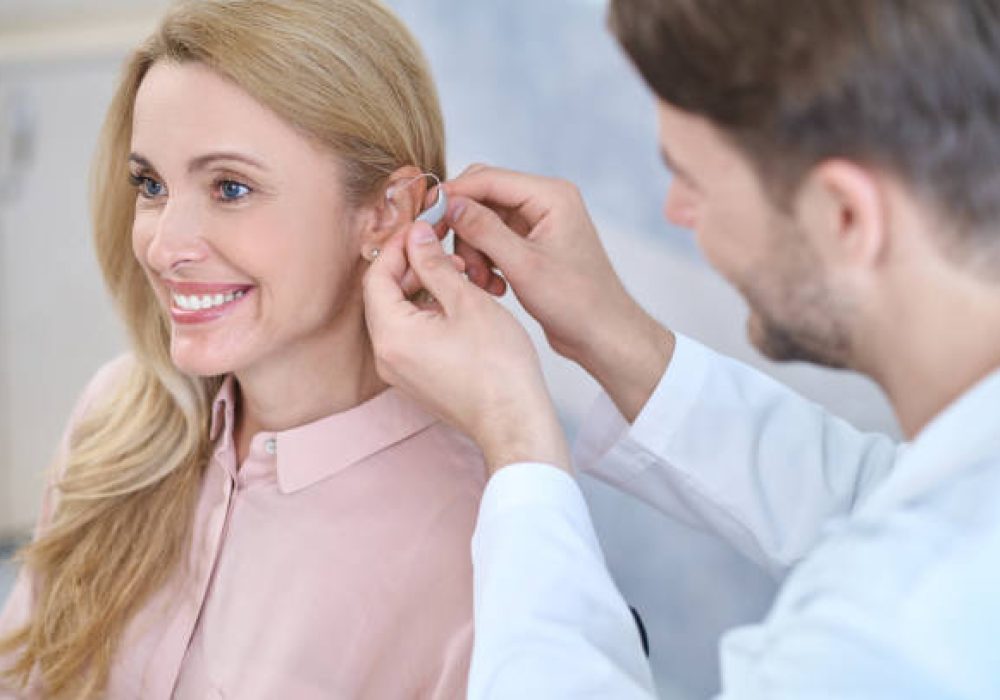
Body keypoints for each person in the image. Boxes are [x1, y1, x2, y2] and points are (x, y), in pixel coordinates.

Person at [364, 0, 1000, 697]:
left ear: (843, 215)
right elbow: (868, 496)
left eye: (691, 178)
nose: (675, 211)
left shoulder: (887, 641)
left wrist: (517, 439)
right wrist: (617, 338)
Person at [0, 1, 486, 698]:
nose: (165, 245)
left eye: (230, 188)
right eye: (151, 185)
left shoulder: (466, 541)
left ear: (385, 212)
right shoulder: (115, 419)